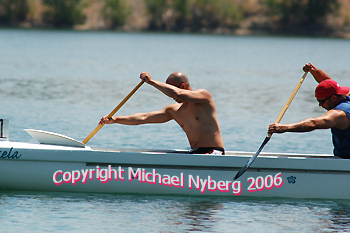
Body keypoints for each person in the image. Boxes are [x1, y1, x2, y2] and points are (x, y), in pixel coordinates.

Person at [99, 72, 225, 155]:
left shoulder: (203, 97)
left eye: (170, 89)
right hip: (196, 153)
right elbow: (144, 118)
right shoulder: (175, 111)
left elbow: (177, 94)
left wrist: (151, 82)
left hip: (214, 153)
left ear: (182, 86)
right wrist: (115, 119)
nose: (171, 97)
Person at [268, 63, 350, 158]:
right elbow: (328, 84)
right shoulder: (345, 97)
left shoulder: (338, 114)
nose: (319, 105)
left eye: (321, 101)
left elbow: (314, 123)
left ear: (333, 98)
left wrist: (285, 127)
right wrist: (314, 71)